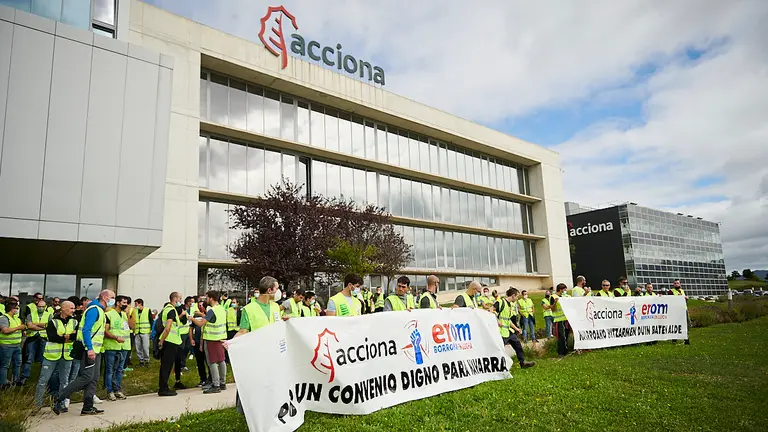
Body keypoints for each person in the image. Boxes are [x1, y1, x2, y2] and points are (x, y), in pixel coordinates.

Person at [53, 289, 114, 416]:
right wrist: (90, 348)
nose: (113, 300)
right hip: (89, 350)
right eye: (112, 297)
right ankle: (59, 396)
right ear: (105, 297)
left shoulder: (100, 310)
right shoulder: (94, 310)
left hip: (96, 350)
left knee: (94, 378)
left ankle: (87, 407)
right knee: (87, 377)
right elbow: (86, 330)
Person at [232, 276, 287, 414]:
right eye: (277, 288)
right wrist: (231, 343)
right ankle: (244, 410)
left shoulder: (275, 307)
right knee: (252, 382)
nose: (279, 291)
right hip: (256, 354)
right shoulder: (249, 309)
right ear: (269, 290)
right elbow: (243, 331)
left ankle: (273, 409)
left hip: (273, 353)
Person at [34, 300, 78, 408]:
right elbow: (53, 337)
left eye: (74, 308)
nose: (73, 310)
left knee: (64, 381)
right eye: (71, 308)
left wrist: (64, 336)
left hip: (67, 356)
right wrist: (66, 336)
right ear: (63, 308)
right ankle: (37, 405)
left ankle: (61, 404)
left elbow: (76, 336)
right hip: (51, 356)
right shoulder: (53, 322)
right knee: (43, 380)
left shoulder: (75, 322)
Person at [194, 291, 227, 394]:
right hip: (221, 337)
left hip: (212, 339)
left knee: (212, 362)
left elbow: (200, 324)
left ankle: (216, 385)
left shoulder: (212, 311)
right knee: (221, 360)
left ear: (211, 299)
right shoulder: (221, 309)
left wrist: (191, 318)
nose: (206, 300)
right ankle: (222, 383)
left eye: (207, 298)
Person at [494, 288, 536, 369]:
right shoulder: (500, 302)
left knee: (517, 345)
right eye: (517, 296)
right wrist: (497, 320)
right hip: (501, 332)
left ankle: (522, 362)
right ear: (513, 296)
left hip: (508, 331)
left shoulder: (509, 305)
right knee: (498, 350)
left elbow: (508, 320)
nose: (517, 298)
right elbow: (490, 310)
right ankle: (497, 366)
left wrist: (516, 329)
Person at [157, 292, 187, 397]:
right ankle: (163, 388)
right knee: (167, 366)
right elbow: (168, 327)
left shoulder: (169, 309)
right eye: (179, 298)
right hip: (170, 341)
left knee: (166, 365)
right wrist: (162, 341)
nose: (181, 301)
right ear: (174, 298)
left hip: (171, 341)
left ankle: (164, 387)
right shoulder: (170, 310)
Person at [21, 296, 53, 385]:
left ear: (45, 307)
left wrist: (35, 325)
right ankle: (24, 377)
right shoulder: (30, 314)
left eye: (43, 306)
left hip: (43, 338)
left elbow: (49, 326)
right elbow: (29, 326)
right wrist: (42, 326)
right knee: (29, 358)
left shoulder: (49, 315)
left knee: (43, 359)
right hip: (32, 338)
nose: (41, 308)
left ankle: (43, 378)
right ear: (36, 306)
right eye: (39, 306)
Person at [103, 295, 130, 401]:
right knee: (110, 369)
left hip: (123, 346)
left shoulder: (124, 315)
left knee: (119, 369)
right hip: (111, 346)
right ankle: (109, 391)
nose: (126, 305)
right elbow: (105, 331)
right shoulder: (108, 315)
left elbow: (127, 328)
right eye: (124, 302)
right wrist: (116, 338)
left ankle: (117, 389)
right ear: (118, 303)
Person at [0, 299, 25, 389]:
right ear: (11, 308)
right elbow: (5, 330)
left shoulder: (16, 318)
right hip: (6, 346)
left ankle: (15, 382)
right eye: (15, 307)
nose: (17, 309)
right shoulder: (4, 318)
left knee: (18, 364)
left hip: (17, 345)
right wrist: (19, 328)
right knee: (5, 365)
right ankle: (3, 384)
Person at [188, 300, 209, 388]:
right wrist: (191, 338)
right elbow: (191, 328)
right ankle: (203, 379)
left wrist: (202, 315)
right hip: (197, 341)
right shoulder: (195, 316)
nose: (200, 307)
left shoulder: (208, 316)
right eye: (199, 305)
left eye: (202, 305)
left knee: (208, 362)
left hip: (205, 341)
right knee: (199, 362)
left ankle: (211, 379)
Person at [132, 299, 152, 367]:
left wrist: (151, 329)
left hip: (145, 332)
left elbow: (151, 320)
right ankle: (141, 360)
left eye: (136, 304)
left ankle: (146, 361)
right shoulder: (135, 311)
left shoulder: (147, 310)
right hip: (137, 332)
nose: (135, 305)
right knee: (138, 347)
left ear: (140, 304)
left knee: (145, 347)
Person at [551, 283, 570, 357]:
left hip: (566, 319)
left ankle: (565, 351)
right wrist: (555, 302)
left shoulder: (565, 296)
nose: (566, 291)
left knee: (566, 335)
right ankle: (561, 353)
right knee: (561, 336)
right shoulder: (553, 297)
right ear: (561, 289)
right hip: (559, 320)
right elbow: (553, 309)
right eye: (565, 290)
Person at [671, 279, 690, 345]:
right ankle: (674, 339)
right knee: (675, 325)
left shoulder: (682, 291)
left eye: (677, 283)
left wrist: (686, 299)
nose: (676, 284)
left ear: (680, 284)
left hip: (683, 310)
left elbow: (684, 301)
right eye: (675, 283)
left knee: (685, 324)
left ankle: (686, 339)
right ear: (673, 284)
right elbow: (669, 300)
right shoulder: (671, 291)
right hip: (676, 311)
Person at [121, 296, 134, 371]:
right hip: (118, 337)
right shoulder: (114, 312)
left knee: (126, 352)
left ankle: (124, 366)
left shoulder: (130, 310)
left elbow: (132, 324)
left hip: (128, 334)